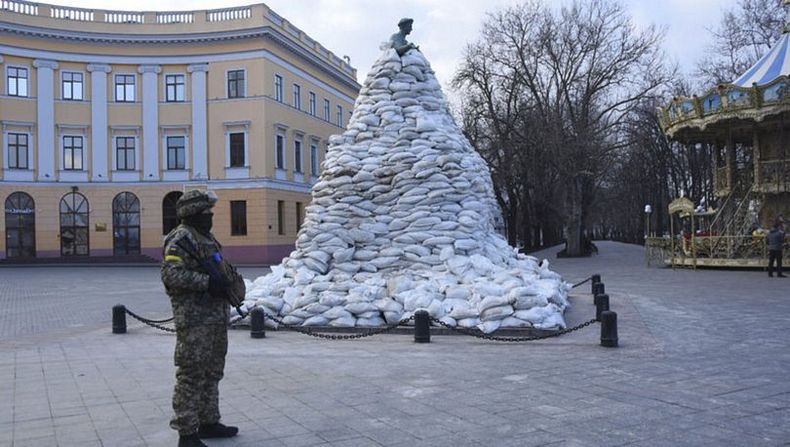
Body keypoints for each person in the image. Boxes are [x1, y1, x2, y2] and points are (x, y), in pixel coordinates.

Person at [161, 190, 243, 447]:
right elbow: (171, 275)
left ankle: (209, 422)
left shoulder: (205, 237)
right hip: (195, 319)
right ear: (193, 213)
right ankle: (187, 433)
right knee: (191, 374)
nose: (210, 217)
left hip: (215, 318)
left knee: (212, 372)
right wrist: (207, 283)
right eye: (206, 213)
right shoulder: (181, 238)